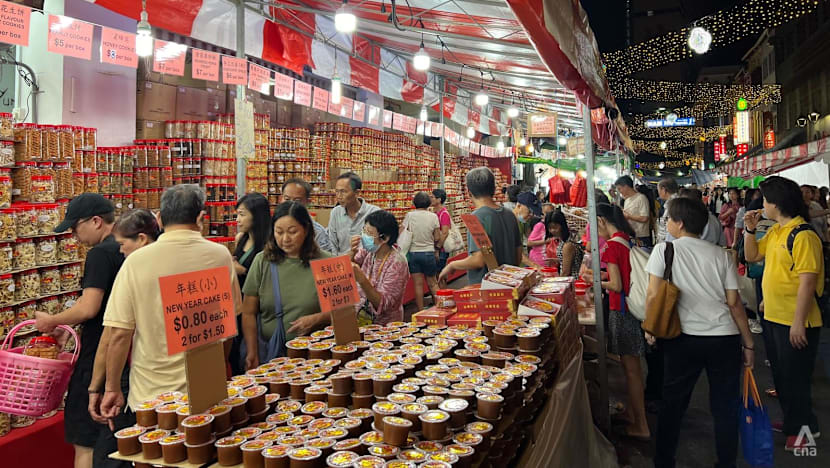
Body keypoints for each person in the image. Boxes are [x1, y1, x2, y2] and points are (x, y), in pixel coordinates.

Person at [99, 185, 242, 420]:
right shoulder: (220, 255)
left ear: (159, 218)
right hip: (205, 389)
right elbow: (227, 326)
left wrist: (112, 388)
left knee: (156, 454)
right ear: (201, 218)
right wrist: (217, 370)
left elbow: (119, 335)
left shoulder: (137, 261)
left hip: (152, 394)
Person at [648, 197, 754, 468]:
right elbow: (733, 303)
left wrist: (650, 328)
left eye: (668, 219)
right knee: (725, 407)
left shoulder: (664, 250)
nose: (667, 223)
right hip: (724, 339)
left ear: (679, 223)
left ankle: (664, 461)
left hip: (681, 339)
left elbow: (653, 295)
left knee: (673, 404)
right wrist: (749, 343)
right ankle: (726, 462)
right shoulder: (721, 254)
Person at [32, 194, 127, 468]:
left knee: (84, 439)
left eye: (76, 227)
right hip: (125, 358)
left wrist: (52, 321)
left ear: (96, 221)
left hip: (99, 356)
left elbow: (89, 307)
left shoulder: (100, 254)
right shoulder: (129, 249)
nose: (74, 235)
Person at [743, 176, 823, 451]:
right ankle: (792, 424)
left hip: (796, 321)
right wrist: (749, 231)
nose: (762, 205)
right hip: (774, 316)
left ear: (776, 203)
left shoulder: (803, 235)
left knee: (796, 380)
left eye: (765, 200)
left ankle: (805, 433)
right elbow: (752, 257)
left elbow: (807, 281)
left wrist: (799, 323)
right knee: (782, 376)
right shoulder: (777, 231)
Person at [87, 210, 160, 440]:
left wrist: (104, 388)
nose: (120, 250)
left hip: (139, 378)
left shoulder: (132, 270)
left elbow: (114, 336)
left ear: (141, 239)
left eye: (122, 243)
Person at [241, 202, 331, 368]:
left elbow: (345, 310)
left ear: (306, 230)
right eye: (279, 232)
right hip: (271, 355)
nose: (285, 239)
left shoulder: (327, 262)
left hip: (315, 357)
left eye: (292, 232)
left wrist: (317, 318)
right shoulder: (262, 261)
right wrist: (252, 351)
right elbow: (248, 312)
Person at [593, 202, 650, 440]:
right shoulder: (625, 239)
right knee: (633, 369)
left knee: (632, 371)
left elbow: (616, 285)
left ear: (602, 221)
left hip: (622, 311)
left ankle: (641, 425)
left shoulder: (610, 247)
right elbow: (623, 276)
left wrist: (597, 281)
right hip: (632, 311)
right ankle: (634, 416)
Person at [439, 167, 522, 284]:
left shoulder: (476, 218)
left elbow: (478, 260)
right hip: (511, 285)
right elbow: (518, 257)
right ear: (494, 189)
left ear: (469, 193)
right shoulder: (510, 215)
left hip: (486, 289)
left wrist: (452, 265)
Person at [229, 192, 272, 375]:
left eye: (242, 214)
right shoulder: (241, 239)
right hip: (238, 305)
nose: (238, 219)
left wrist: (243, 271)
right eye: (237, 214)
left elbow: (267, 279)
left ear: (257, 215)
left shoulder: (268, 245)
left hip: (257, 308)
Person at [351, 210, 410, 325]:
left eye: (369, 233)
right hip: (360, 320)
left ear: (384, 238)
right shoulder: (369, 252)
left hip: (385, 328)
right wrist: (352, 252)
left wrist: (362, 280)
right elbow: (345, 269)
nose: (364, 236)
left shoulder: (397, 263)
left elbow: (383, 304)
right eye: (364, 230)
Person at [404, 192, 441, 311]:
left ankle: (420, 311)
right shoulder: (433, 216)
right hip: (428, 252)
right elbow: (437, 237)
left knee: (418, 284)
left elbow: (403, 232)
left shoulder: (409, 215)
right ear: (428, 203)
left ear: (414, 203)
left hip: (413, 253)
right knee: (433, 283)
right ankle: (440, 308)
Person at [328, 172, 380, 255]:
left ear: (357, 193)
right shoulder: (336, 212)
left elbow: (378, 245)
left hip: (366, 265)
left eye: (343, 191)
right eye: (337, 191)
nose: (339, 196)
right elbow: (332, 243)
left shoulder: (374, 213)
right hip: (342, 264)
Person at [282, 178, 333, 252]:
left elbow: (324, 260)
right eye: (287, 199)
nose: (291, 204)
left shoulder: (317, 233)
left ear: (308, 202)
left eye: (297, 200)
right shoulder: (274, 226)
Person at [614, 176, 652, 247]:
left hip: (641, 236)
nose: (619, 191)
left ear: (626, 186)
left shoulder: (641, 198)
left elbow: (645, 218)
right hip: (631, 234)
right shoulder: (627, 200)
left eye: (619, 189)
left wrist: (629, 216)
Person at [544, 210, 584, 276]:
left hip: (572, 281)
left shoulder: (568, 245)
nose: (552, 230)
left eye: (555, 227)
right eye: (550, 228)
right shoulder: (563, 240)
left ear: (562, 225)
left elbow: (566, 272)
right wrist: (557, 260)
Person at [515, 191, 546, 266]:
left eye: (533, 213)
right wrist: (535, 266)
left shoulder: (523, 222)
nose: (531, 215)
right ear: (519, 206)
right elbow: (514, 251)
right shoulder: (508, 222)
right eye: (529, 211)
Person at [430, 189, 452, 272]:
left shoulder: (444, 214)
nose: (430, 199)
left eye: (432, 197)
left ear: (439, 200)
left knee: (439, 276)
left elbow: (445, 233)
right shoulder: (434, 213)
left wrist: (437, 248)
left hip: (441, 250)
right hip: (435, 249)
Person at [656, 177, 679, 244]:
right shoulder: (674, 201)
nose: (658, 193)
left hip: (670, 243)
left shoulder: (673, 204)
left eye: (658, 190)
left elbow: (670, 228)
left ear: (663, 190)